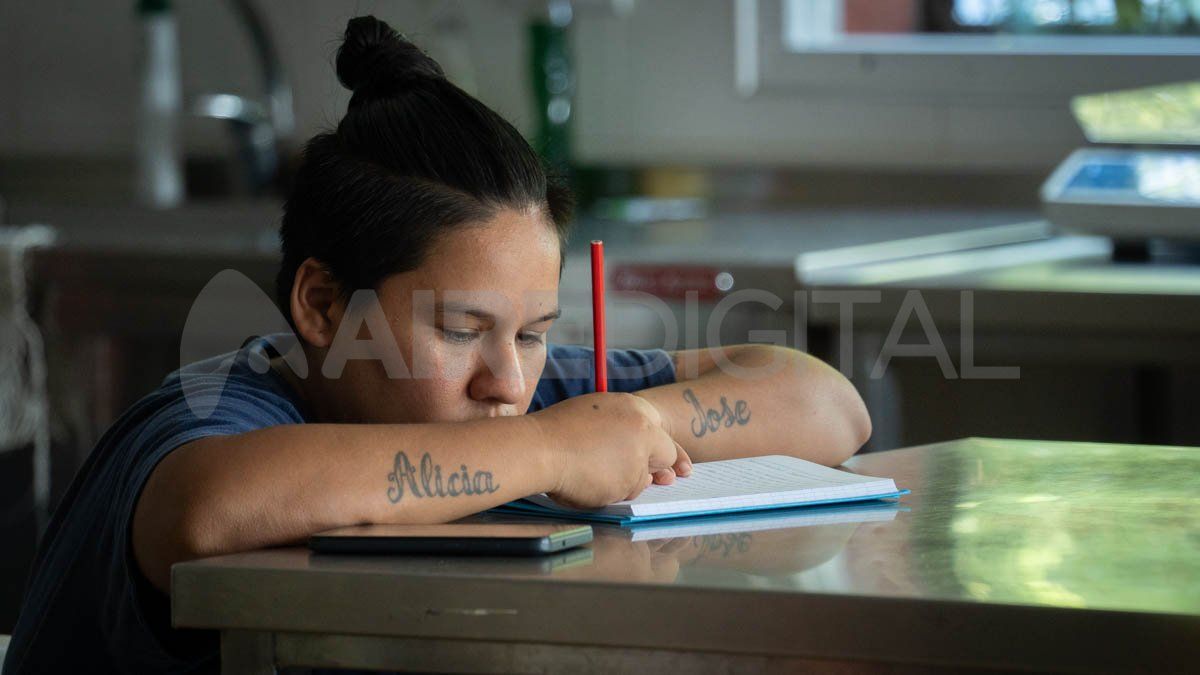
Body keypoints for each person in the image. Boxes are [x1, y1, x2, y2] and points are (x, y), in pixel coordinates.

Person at [3, 16, 870, 674]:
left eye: (534, 332)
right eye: (459, 329)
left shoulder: (511, 387)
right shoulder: (222, 412)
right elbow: (206, 511)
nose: (506, 378)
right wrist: (548, 447)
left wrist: (629, 420)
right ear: (321, 304)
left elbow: (831, 407)